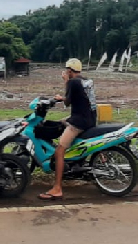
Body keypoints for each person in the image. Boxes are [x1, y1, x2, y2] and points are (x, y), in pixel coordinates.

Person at [38, 57, 96, 201]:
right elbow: (75, 98)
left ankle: (57, 188)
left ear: (70, 71)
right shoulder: (85, 81)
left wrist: (65, 82)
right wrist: (62, 97)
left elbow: (68, 103)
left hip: (79, 121)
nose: (65, 72)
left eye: (66, 70)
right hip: (89, 118)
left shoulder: (72, 82)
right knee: (59, 123)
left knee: (59, 151)